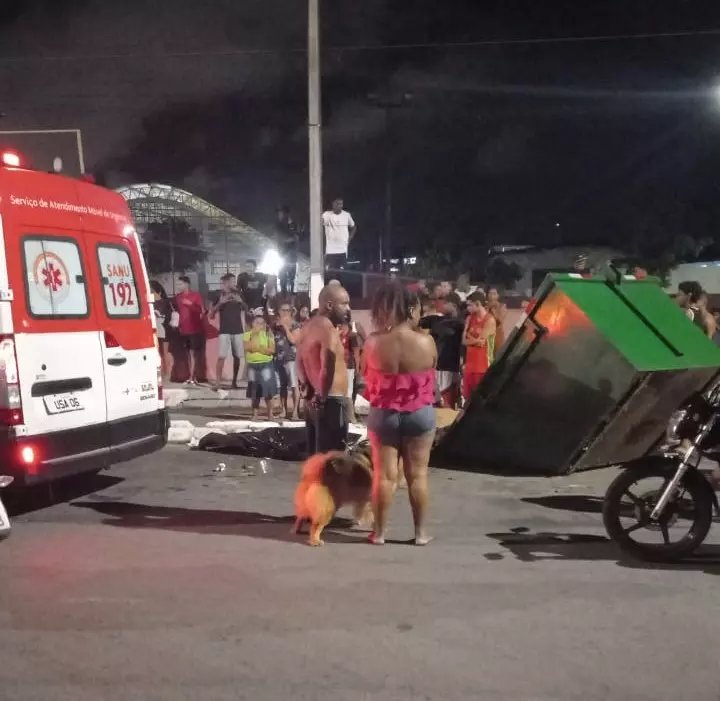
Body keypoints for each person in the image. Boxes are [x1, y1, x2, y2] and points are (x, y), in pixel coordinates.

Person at [362, 282, 437, 546]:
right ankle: (421, 533)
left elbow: (364, 373)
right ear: (412, 308)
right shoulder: (426, 341)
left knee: (383, 476)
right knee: (418, 475)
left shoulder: (372, 342)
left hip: (383, 413)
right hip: (420, 412)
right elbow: (432, 369)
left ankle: (379, 533)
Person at [296, 283, 351, 453]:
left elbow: (299, 361)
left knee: (316, 458)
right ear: (329, 305)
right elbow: (328, 365)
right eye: (344, 304)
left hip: (313, 400)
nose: (348, 309)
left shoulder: (307, 326)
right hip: (330, 401)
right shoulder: (327, 328)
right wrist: (322, 395)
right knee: (333, 460)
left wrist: (305, 387)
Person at [209, 273, 246, 391]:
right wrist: (221, 302)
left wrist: (240, 301)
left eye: (234, 281)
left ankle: (234, 382)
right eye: (232, 281)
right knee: (221, 356)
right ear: (226, 283)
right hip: (224, 331)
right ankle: (217, 383)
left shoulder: (239, 294)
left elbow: (246, 309)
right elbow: (211, 315)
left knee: (237, 357)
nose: (234, 283)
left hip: (238, 330)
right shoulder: (218, 295)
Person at [462, 291, 496, 401]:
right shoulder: (469, 318)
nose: (468, 308)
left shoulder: (489, 320)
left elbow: (481, 343)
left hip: (483, 366)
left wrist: (470, 338)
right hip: (469, 365)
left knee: (480, 398)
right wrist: (475, 340)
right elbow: (463, 341)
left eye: (470, 305)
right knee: (467, 397)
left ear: (478, 304)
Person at [243, 314, 277, 421]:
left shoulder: (268, 334)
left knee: (268, 390)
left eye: (262, 323)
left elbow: (271, 350)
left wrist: (257, 348)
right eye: (257, 323)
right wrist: (261, 347)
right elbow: (247, 347)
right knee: (254, 391)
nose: (260, 325)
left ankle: (270, 414)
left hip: (266, 364)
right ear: (252, 324)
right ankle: (255, 414)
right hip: (253, 365)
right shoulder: (247, 334)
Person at [273, 301, 302, 420]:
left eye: (287, 310)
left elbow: (294, 341)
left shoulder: (295, 325)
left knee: (294, 385)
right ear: (278, 312)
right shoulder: (275, 326)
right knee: (282, 386)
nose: (285, 313)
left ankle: (295, 412)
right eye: (282, 310)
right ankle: (283, 411)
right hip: (279, 359)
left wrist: (285, 327)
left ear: (291, 312)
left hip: (291, 359)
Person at [175, 276, 205, 385]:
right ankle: (190, 376)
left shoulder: (196, 295)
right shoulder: (178, 297)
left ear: (187, 284)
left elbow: (202, 311)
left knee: (193, 353)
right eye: (178, 284)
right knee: (187, 353)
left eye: (180, 284)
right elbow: (177, 312)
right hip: (183, 329)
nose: (178, 286)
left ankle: (193, 377)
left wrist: (190, 304)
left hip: (194, 329)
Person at [321, 198, 356, 274]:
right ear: (333, 204)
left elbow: (353, 227)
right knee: (331, 272)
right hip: (331, 250)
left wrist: (349, 238)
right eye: (337, 204)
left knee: (343, 273)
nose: (339, 206)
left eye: (341, 204)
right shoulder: (327, 215)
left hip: (342, 250)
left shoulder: (346, 215)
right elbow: (319, 223)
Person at [339, 311, 361, 423]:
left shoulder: (352, 336)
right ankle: (343, 416)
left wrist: (357, 368)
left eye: (342, 323)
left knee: (348, 392)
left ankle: (351, 417)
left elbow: (356, 353)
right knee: (340, 393)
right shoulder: (338, 334)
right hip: (339, 368)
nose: (340, 326)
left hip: (349, 367)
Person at [274, 206, 300, 295]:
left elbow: (296, 238)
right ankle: (283, 294)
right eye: (279, 213)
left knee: (292, 277)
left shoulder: (293, 224)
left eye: (281, 213)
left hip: (292, 256)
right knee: (282, 276)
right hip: (282, 255)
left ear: (286, 214)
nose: (279, 215)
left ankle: (292, 294)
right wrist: (290, 239)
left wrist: (291, 238)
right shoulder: (278, 226)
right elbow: (281, 239)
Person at [151, 281, 173, 381]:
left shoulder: (165, 303)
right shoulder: (150, 303)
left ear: (159, 292)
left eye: (153, 291)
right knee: (158, 353)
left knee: (165, 352)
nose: (151, 294)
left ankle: (167, 373)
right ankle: (161, 373)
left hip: (165, 330)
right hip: (155, 331)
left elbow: (169, 316)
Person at [237, 260, 267, 329]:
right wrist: (242, 302)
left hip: (259, 305)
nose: (248, 268)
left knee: (259, 326)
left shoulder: (261, 276)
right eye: (246, 266)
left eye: (250, 266)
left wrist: (265, 293)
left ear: (255, 267)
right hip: (247, 306)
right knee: (247, 326)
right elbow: (238, 290)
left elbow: (272, 279)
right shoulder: (242, 277)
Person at [486, 287, 508, 352]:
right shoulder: (485, 306)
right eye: (490, 293)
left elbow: (500, 320)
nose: (492, 296)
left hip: (498, 334)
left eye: (494, 294)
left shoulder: (502, 306)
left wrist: (493, 310)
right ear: (487, 295)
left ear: (498, 295)